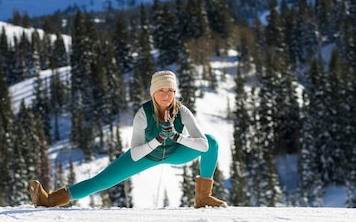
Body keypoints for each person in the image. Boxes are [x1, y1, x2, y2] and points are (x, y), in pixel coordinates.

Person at [29, 70, 227, 208]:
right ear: (153, 93)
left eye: (170, 91)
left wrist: (176, 136)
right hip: (146, 155)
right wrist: (158, 139)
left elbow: (203, 145)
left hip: (176, 152)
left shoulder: (182, 111)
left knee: (212, 142)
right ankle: (49, 200)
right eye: (161, 90)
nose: (166, 95)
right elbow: (135, 152)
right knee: (101, 181)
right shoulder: (143, 114)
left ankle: (203, 198)